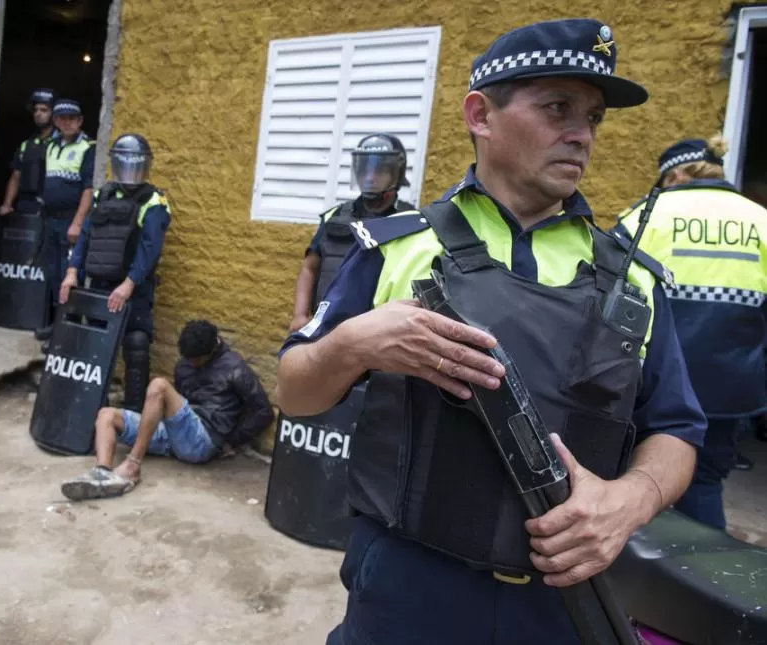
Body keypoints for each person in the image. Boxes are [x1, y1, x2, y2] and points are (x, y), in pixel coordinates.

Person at [275, 19, 707, 644]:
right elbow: (295, 391)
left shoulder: (631, 281)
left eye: (592, 117)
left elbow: (678, 430)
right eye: (558, 108)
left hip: (562, 604)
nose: (581, 135)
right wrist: (354, 345)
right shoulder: (400, 249)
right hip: (408, 591)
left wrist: (631, 499)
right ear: (480, 114)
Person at [616, 136, 767, 530]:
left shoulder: (645, 215)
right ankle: (703, 575)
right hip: (731, 388)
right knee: (704, 482)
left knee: (637, 478)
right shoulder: (760, 219)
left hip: (652, 384)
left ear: (677, 174)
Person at [60, 320, 274, 500]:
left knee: (159, 386)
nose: (190, 363)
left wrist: (230, 441)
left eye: (195, 359)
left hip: (202, 439)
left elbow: (264, 411)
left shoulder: (235, 368)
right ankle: (102, 474)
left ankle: (132, 465)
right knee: (106, 415)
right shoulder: (184, 365)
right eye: (187, 358)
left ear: (211, 351)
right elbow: (178, 408)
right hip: (174, 433)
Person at [58, 133, 171, 411]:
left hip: (133, 287)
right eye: (125, 161)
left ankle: (132, 414)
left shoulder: (154, 201)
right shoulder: (103, 194)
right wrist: (72, 271)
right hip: (98, 283)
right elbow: (85, 235)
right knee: (94, 344)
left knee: (135, 343)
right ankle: (89, 406)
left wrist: (129, 284)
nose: (131, 168)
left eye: (136, 162)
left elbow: (150, 248)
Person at [289, 133, 414, 332]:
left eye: (379, 170)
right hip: (324, 331)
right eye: (365, 170)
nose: (370, 177)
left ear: (395, 173)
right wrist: (300, 315)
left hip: (375, 338)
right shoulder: (334, 216)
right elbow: (309, 268)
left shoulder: (411, 221)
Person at [34, 98, 95, 342]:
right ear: (56, 121)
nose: (68, 122)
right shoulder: (50, 146)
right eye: (63, 118)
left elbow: (88, 190)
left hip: (71, 222)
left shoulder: (88, 148)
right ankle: (56, 325)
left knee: (69, 277)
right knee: (52, 275)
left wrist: (78, 223)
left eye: (73, 118)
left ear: (80, 121)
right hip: (52, 221)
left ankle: (67, 333)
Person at [0, 88, 58, 217]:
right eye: (36, 110)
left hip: (50, 207)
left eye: (44, 110)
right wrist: (7, 204)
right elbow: (15, 176)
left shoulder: (61, 143)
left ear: (53, 114)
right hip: (26, 205)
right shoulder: (27, 144)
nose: (38, 114)